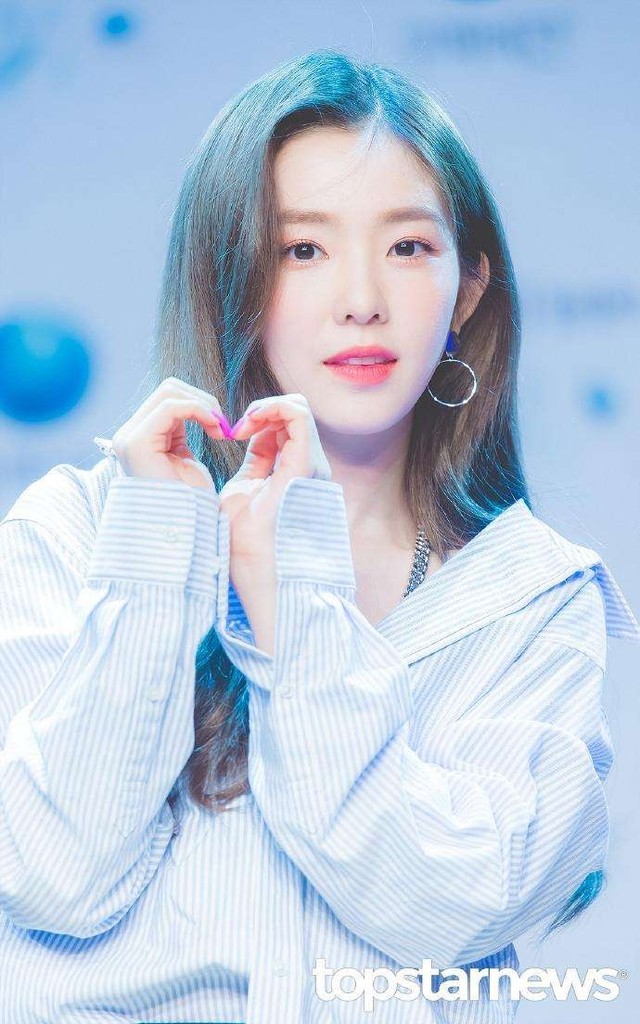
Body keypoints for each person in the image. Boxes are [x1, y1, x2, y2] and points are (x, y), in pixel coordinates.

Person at [0, 48, 638, 1024]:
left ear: (468, 290)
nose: (361, 298)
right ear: (231, 279)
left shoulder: (532, 595)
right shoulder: (79, 531)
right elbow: (52, 877)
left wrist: (297, 603)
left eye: (408, 247)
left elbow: (449, 907)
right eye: (303, 250)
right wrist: (156, 558)